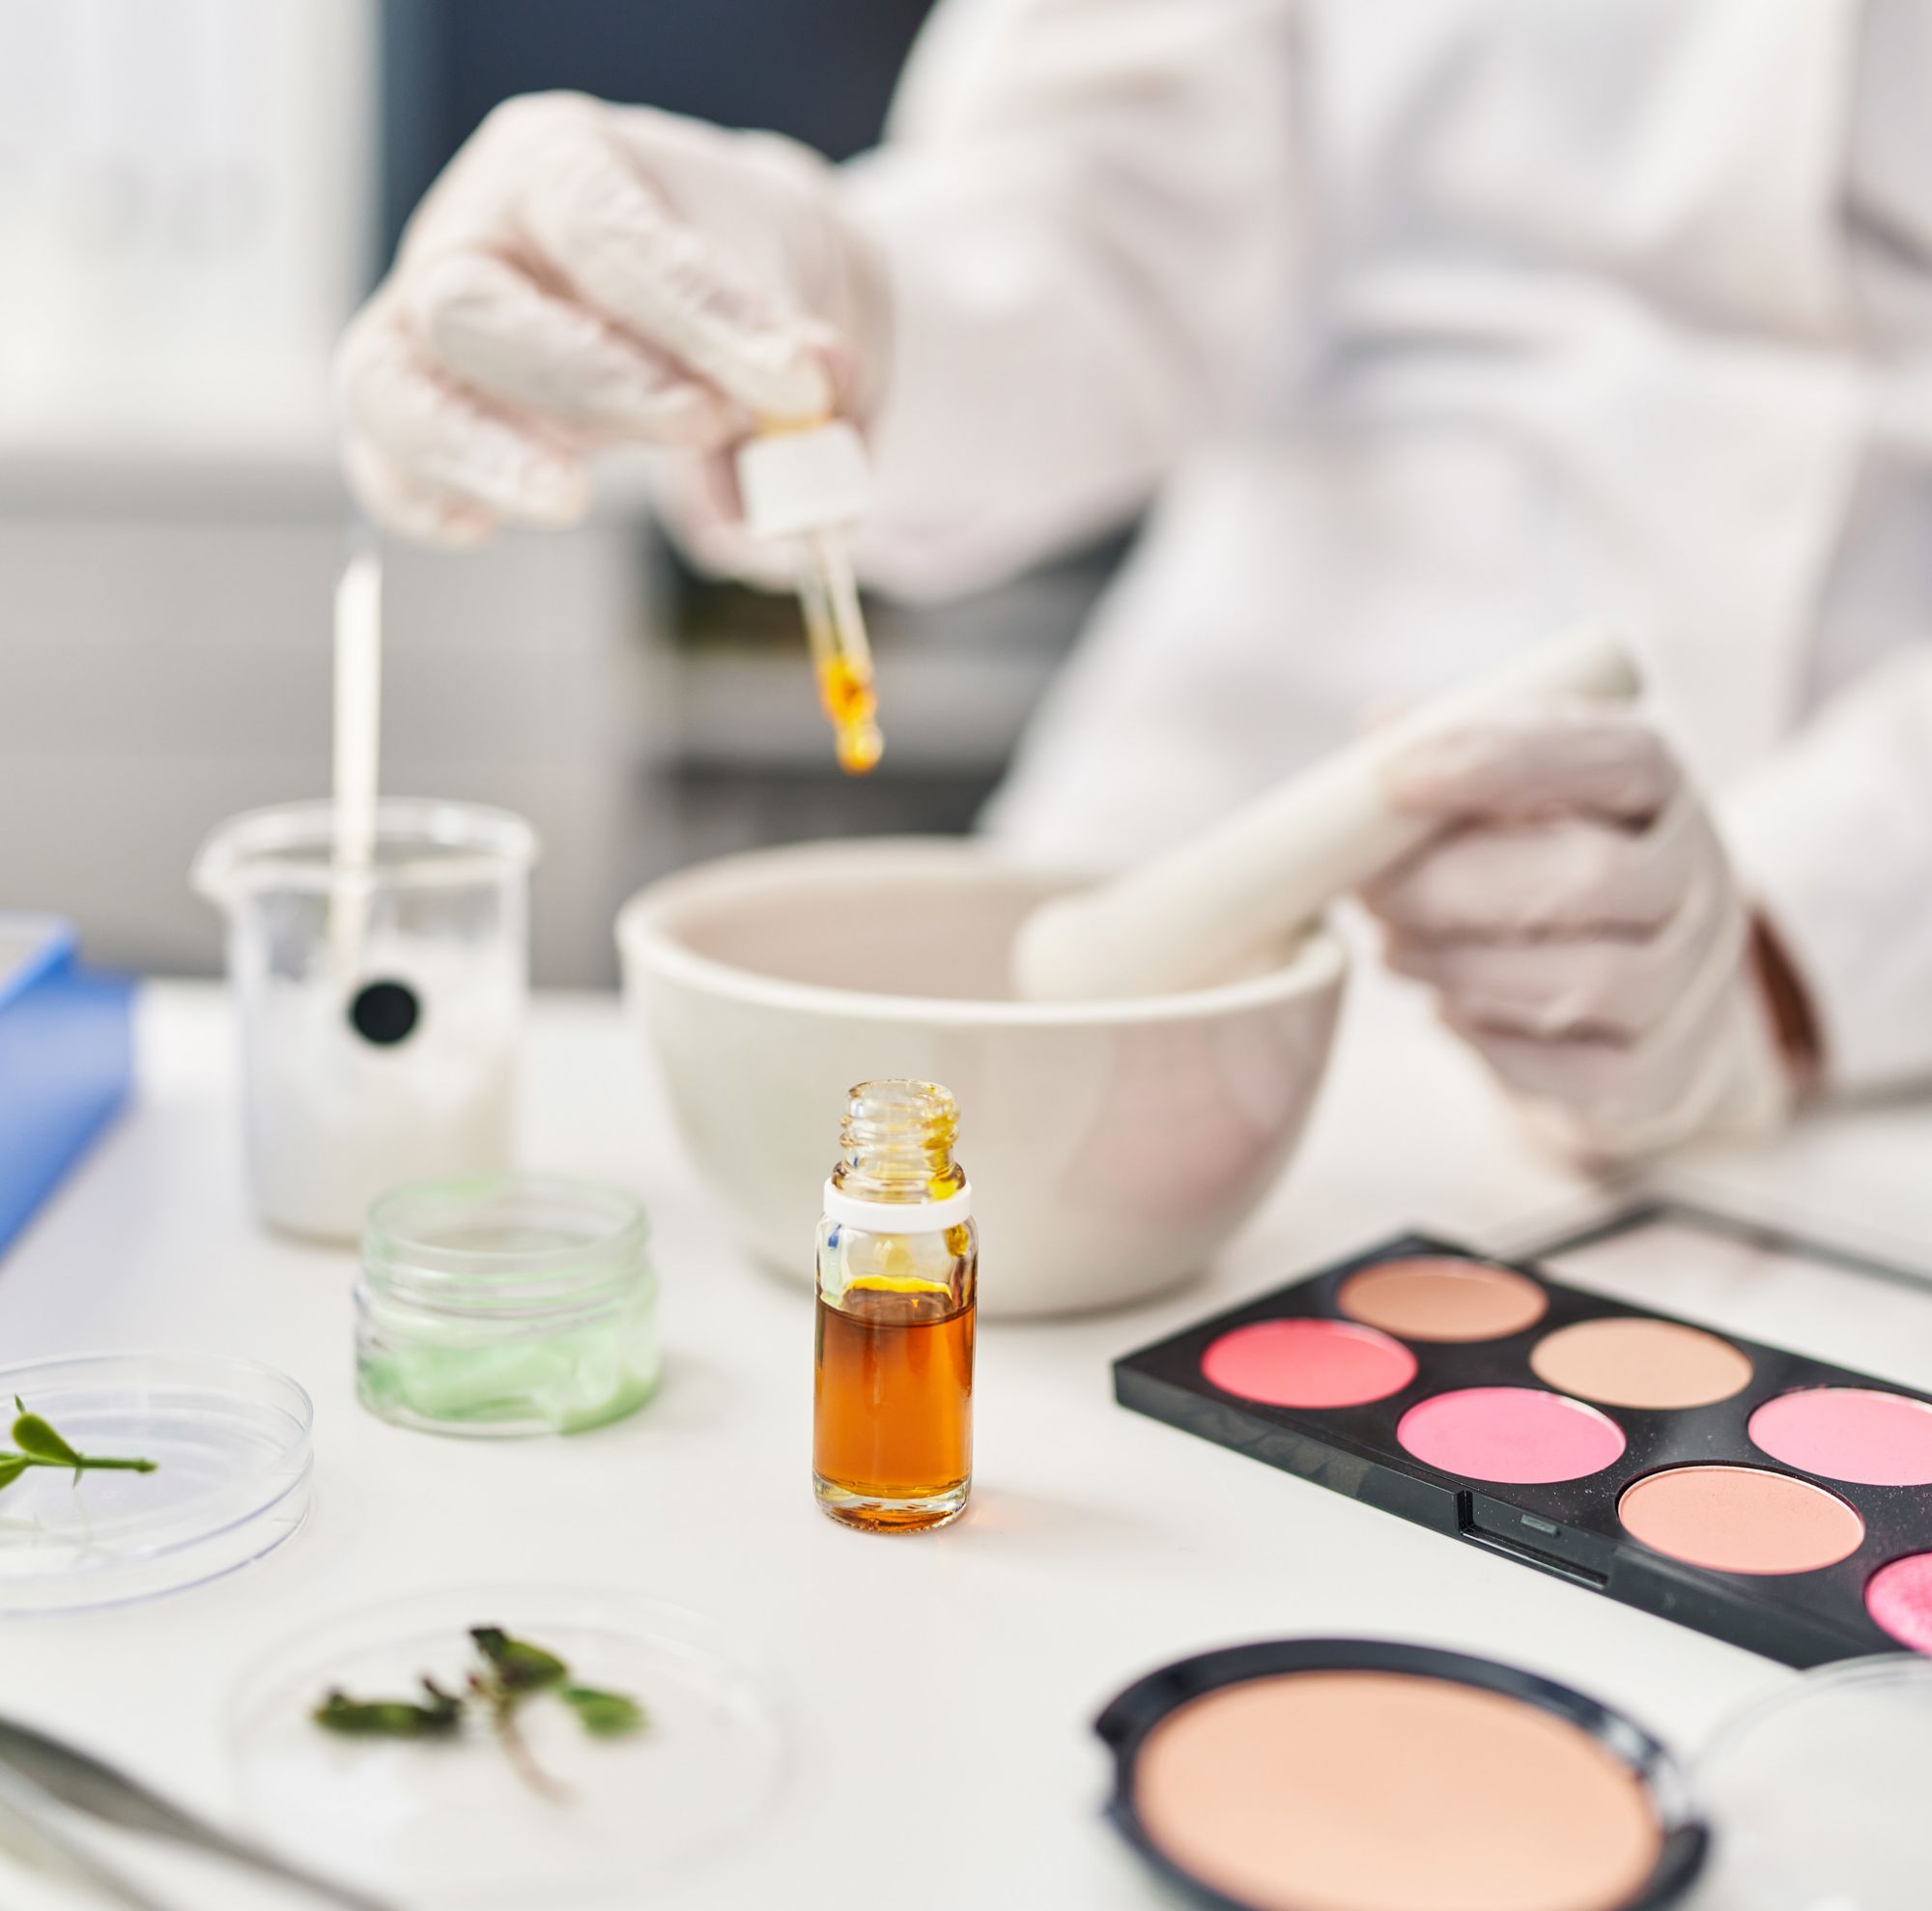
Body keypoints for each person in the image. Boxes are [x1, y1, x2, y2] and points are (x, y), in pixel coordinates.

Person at [336, 0, 1932, 1165]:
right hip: (1208, 808)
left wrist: (1803, 943)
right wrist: (826, 281)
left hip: (1861, 1003)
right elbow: (1097, 225)